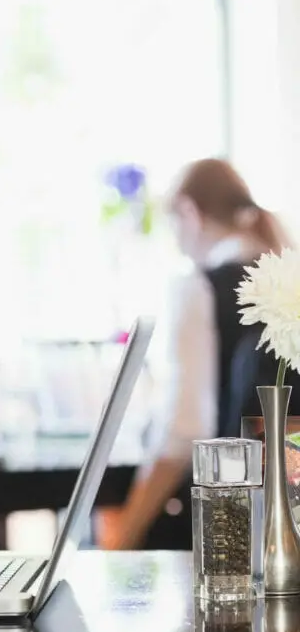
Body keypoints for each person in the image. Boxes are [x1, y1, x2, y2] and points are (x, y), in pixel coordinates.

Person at [105, 158, 299, 550]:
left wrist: (123, 536)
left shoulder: (198, 289)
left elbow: (184, 434)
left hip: (230, 531)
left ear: (189, 213)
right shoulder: (289, 279)